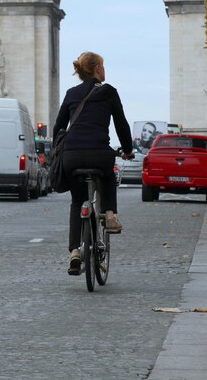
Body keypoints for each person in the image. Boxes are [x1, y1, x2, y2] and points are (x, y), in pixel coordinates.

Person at [52, 51, 134, 276]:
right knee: (108, 174)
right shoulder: (108, 92)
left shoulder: (70, 93)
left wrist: (57, 151)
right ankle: (109, 215)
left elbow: (58, 127)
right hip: (99, 153)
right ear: (97, 69)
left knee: (77, 202)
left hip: (71, 156)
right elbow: (121, 125)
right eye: (103, 66)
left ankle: (74, 252)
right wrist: (128, 150)